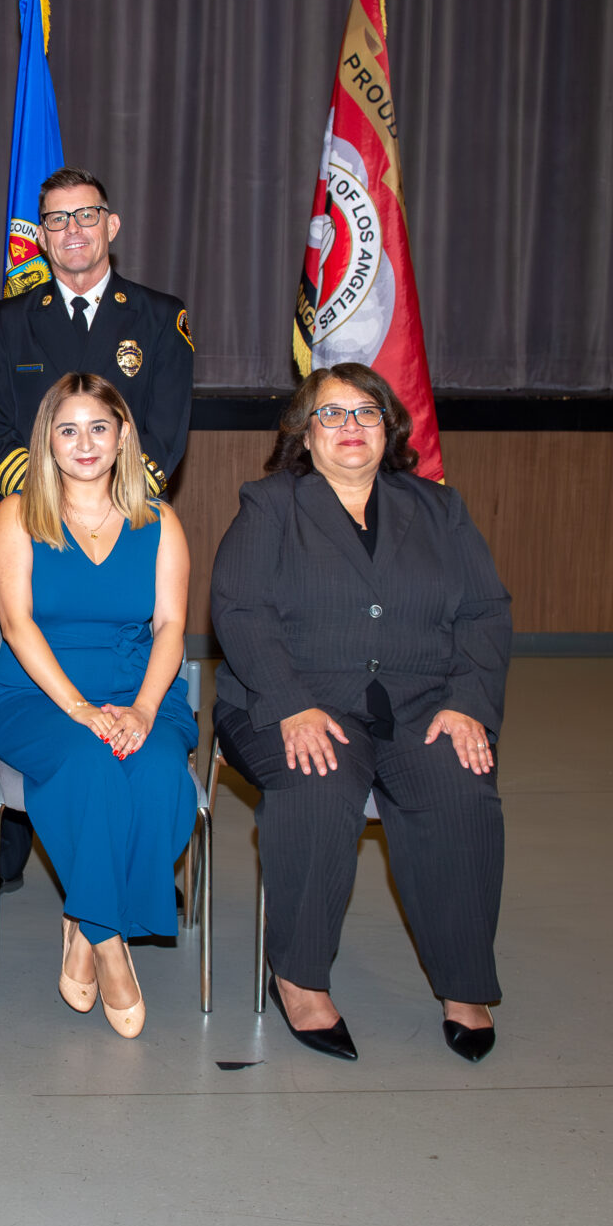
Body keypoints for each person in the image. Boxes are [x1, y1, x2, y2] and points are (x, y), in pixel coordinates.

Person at [211, 362, 511, 1063]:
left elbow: (485, 612)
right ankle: (301, 977)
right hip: (286, 701)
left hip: (422, 705)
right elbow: (241, 612)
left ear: (390, 430)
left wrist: (469, 701)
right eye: (332, 414)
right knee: (318, 787)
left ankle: (464, 981)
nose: (351, 427)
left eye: (367, 414)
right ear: (304, 437)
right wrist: (290, 705)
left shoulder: (441, 510)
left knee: (460, 789)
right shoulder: (270, 506)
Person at [0, 165, 195, 907]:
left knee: (133, 719)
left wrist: (112, 503)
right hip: (38, 526)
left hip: (124, 522)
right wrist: (49, 502)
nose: (72, 232)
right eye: (56, 221)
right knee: (32, 660)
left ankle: (139, 862)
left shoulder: (161, 317)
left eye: (85, 216)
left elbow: (163, 432)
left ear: (111, 225)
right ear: (42, 234)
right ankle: (4, 854)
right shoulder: (9, 320)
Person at [0, 375, 197, 1037]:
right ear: (48, 442)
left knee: (158, 775)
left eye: (99, 427)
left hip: (140, 691)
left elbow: (171, 629)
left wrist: (147, 711)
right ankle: (110, 944)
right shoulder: (17, 515)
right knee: (91, 768)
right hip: (36, 694)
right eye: (67, 430)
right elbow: (16, 626)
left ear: (124, 436)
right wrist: (76, 708)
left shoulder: (159, 521)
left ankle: (82, 920)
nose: (85, 443)